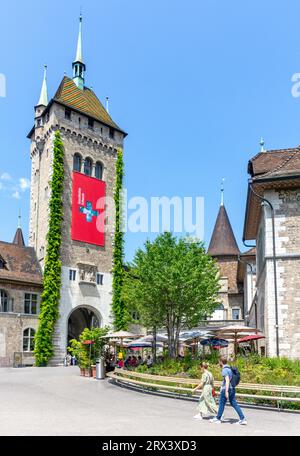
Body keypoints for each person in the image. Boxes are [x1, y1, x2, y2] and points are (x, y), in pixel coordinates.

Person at [210, 357, 247, 425]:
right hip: (232, 388)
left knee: (221, 403)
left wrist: (226, 391)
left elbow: (227, 380)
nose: (218, 363)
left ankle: (218, 418)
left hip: (226, 389)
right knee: (234, 403)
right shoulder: (230, 369)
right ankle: (242, 418)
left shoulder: (224, 370)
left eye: (219, 361)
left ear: (221, 362)